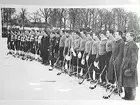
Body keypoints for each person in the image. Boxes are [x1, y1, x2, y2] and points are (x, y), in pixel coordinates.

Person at [119, 32, 139, 100]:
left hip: (130, 66)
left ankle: (131, 96)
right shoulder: (127, 44)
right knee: (126, 81)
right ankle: (127, 95)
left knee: (130, 82)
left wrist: (131, 69)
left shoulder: (134, 46)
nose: (126, 37)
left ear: (132, 37)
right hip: (125, 65)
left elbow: (135, 59)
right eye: (126, 36)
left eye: (128, 36)